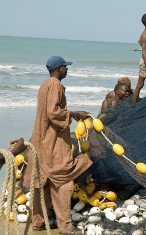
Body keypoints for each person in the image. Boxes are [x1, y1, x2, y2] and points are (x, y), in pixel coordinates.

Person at [23, 56, 92, 234]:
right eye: (66, 67)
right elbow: (53, 112)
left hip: (40, 139)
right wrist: (74, 115)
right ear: (59, 68)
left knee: (43, 181)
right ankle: (66, 226)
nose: (67, 70)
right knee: (63, 180)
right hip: (53, 141)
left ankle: (38, 222)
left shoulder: (44, 84)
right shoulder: (55, 85)